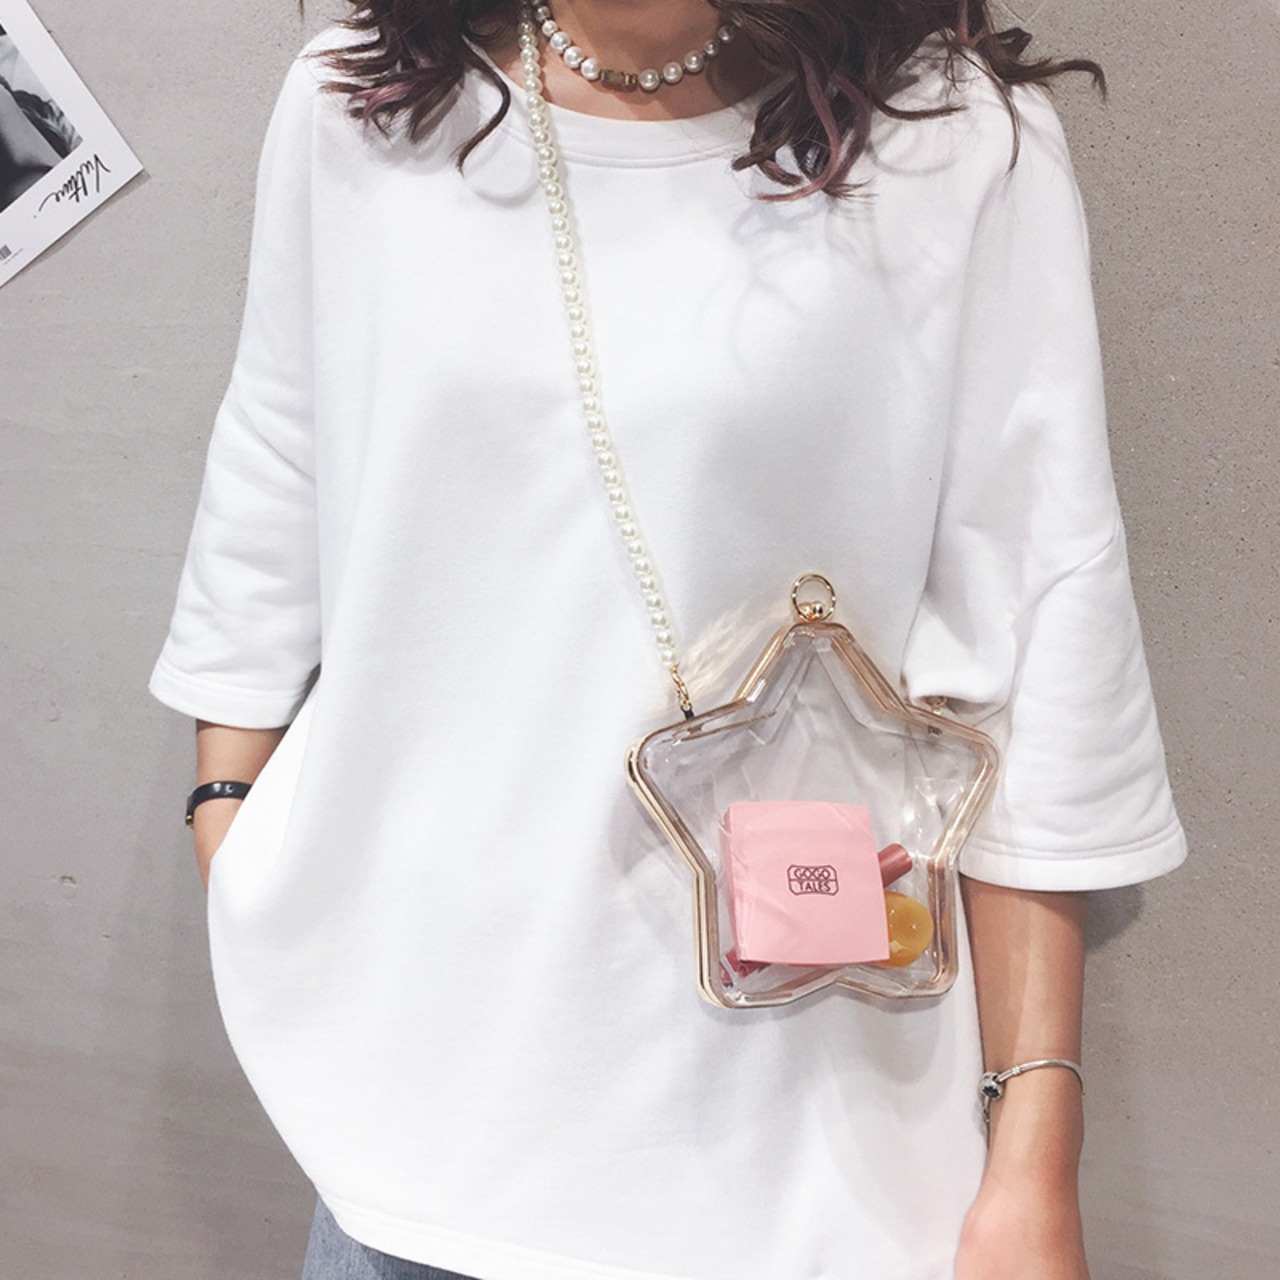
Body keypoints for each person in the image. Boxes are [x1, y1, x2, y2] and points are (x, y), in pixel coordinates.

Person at [150, 1, 1186, 1277]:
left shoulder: (950, 137)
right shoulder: (364, 100)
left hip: (797, 1151)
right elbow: (275, 458)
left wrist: (1033, 1150)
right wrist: (226, 810)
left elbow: (1043, 632)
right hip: (407, 1121)